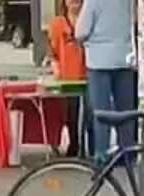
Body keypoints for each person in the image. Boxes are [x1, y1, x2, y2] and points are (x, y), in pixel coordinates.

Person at [75, 0, 135, 161]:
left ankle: (102, 153)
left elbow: (80, 31)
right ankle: (127, 153)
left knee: (101, 111)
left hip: (98, 60)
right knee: (126, 111)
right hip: (124, 57)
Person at [49, 0, 90, 154]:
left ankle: (90, 148)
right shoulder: (58, 24)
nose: (74, 3)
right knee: (71, 115)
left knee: (89, 115)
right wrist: (55, 66)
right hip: (68, 77)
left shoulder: (88, 21)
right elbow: (52, 51)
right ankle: (74, 145)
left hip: (87, 74)